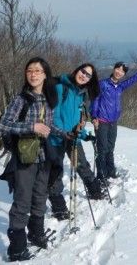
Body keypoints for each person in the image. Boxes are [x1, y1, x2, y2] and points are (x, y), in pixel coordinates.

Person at [0, 57, 67, 262]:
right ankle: (17, 248)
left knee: (39, 197)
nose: (33, 74)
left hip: (44, 156)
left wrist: (66, 134)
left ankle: (36, 234)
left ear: (45, 74)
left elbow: (49, 125)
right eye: (30, 70)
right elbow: (3, 125)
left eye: (38, 70)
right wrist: (31, 127)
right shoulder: (21, 100)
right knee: (22, 201)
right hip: (25, 157)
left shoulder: (47, 99)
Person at [48, 63, 104, 221]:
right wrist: (63, 133)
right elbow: (54, 115)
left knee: (82, 164)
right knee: (55, 171)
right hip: (55, 138)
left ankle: (94, 190)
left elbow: (77, 120)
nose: (84, 76)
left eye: (88, 75)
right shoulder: (60, 87)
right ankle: (58, 206)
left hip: (73, 137)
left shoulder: (81, 94)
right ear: (76, 70)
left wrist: (85, 134)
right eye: (83, 72)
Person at [91, 61, 137, 185]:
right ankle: (101, 176)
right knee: (102, 149)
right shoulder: (103, 84)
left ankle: (111, 172)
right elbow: (95, 100)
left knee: (110, 148)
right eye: (118, 69)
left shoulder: (120, 87)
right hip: (101, 121)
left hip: (113, 122)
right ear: (114, 68)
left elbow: (135, 78)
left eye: (122, 71)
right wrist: (94, 117)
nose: (119, 72)